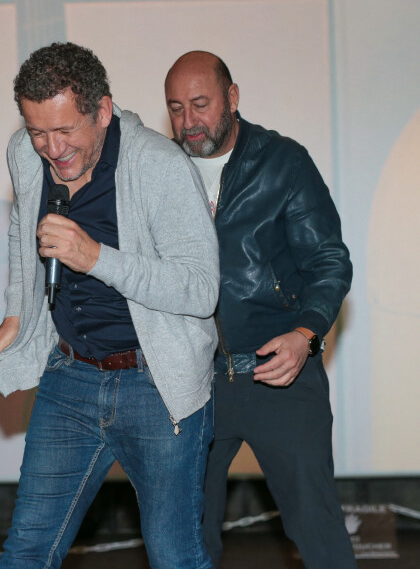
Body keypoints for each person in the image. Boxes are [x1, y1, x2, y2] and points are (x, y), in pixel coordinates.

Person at [0, 42, 219, 569]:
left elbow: (202, 289)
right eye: (38, 130)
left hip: (155, 384)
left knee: (174, 556)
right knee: (27, 549)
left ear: (103, 111)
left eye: (65, 130)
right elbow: (26, 230)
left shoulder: (159, 166)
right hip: (69, 376)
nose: (51, 147)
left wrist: (94, 257)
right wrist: (18, 313)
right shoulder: (25, 153)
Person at [165, 51, 357, 569]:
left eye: (200, 104)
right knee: (185, 534)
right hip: (193, 383)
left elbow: (329, 260)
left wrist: (307, 332)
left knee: (316, 528)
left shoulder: (283, 161)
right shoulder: (161, 171)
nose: (188, 122)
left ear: (232, 97)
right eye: (176, 108)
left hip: (279, 373)